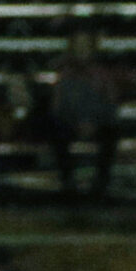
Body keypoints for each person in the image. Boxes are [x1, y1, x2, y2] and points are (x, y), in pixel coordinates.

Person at [41, 32, 120, 199]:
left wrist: (94, 122)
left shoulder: (103, 74)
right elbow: (57, 107)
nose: (82, 49)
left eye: (85, 45)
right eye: (78, 45)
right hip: (71, 124)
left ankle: (101, 185)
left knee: (111, 132)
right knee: (56, 131)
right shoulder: (65, 73)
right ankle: (68, 184)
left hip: (97, 124)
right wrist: (76, 122)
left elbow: (111, 105)